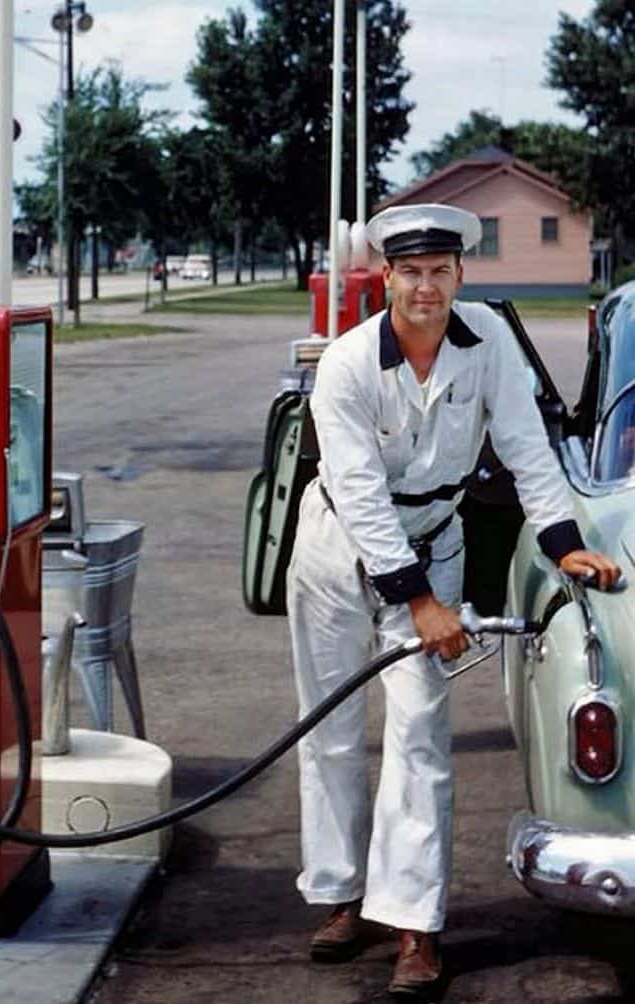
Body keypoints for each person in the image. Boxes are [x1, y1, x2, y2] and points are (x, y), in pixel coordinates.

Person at [286, 203, 620, 995]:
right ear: (387, 278)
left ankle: (413, 924)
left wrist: (560, 539)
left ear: (460, 276)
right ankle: (340, 897)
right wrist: (421, 605)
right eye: (411, 273)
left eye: (441, 272)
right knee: (331, 727)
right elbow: (361, 496)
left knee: (421, 738)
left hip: (434, 539)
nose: (426, 288)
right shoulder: (346, 364)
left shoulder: (489, 343)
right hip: (337, 550)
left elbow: (526, 445)